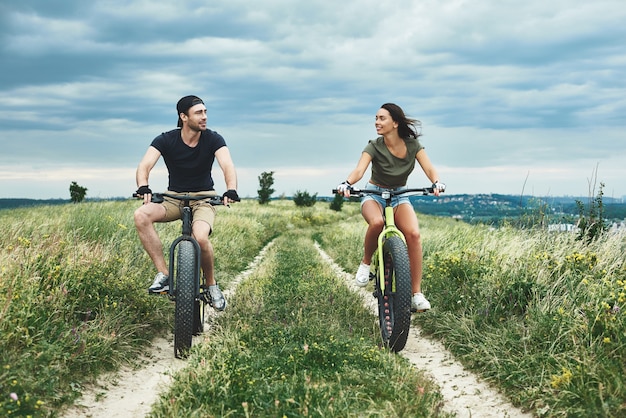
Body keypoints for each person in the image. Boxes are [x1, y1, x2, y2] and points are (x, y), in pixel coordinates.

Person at [134, 95, 239, 311]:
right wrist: (143, 186)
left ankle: (211, 285)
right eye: (199, 113)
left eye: (205, 112)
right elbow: (144, 165)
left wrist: (231, 189)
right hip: (174, 198)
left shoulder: (213, 139)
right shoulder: (166, 139)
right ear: (183, 117)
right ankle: (163, 274)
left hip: (204, 199)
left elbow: (227, 165)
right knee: (141, 215)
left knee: (199, 238)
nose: (205, 117)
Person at [336, 103, 445, 312]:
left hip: (399, 196)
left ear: (395, 123)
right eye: (376, 118)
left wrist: (436, 182)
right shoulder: (374, 145)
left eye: (382, 118)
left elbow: (429, 167)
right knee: (377, 222)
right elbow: (360, 170)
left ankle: (416, 294)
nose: (377, 122)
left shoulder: (413, 146)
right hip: (374, 193)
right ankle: (366, 264)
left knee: (413, 234)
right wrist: (347, 183)